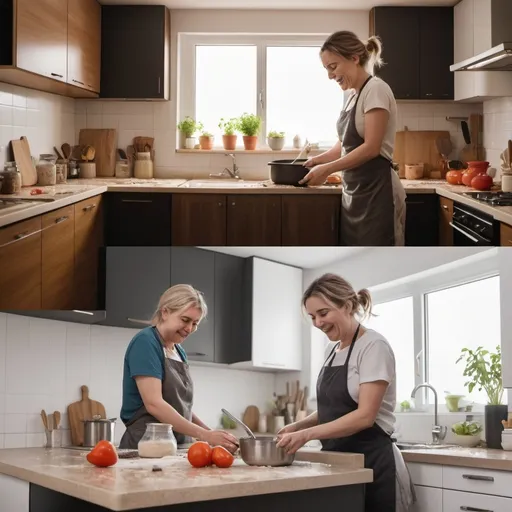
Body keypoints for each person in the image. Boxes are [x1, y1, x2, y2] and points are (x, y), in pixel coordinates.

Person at [276, 274, 415, 512]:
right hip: (339, 464)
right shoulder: (333, 350)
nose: (318, 323)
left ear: (347, 306)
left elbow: (364, 416)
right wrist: (297, 427)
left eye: (323, 313)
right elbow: (333, 410)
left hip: (372, 464)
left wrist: (307, 435)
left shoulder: (373, 346)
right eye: (312, 317)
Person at [300, 31, 406, 246]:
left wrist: (327, 169)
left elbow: (371, 148)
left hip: (379, 193)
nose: (330, 76)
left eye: (333, 66)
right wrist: (315, 162)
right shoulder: (352, 96)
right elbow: (344, 146)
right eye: (327, 69)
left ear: (354, 59)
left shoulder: (375, 89)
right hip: (355, 194)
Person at [119, 284, 238, 452]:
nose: (190, 329)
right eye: (185, 320)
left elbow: (181, 408)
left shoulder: (178, 351)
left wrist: (212, 434)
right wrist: (204, 435)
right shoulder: (146, 342)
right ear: (165, 312)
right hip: (146, 446)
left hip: (177, 445)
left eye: (195, 323)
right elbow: (154, 404)